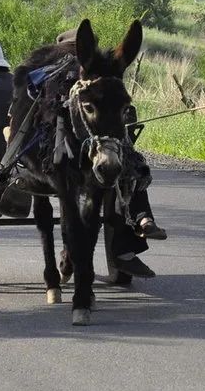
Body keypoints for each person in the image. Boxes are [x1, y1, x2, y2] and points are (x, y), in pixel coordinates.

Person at [56, 29, 167, 278]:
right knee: (128, 170)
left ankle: (137, 224)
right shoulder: (66, 76)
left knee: (125, 168)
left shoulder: (101, 74)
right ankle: (140, 221)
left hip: (100, 144)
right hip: (85, 146)